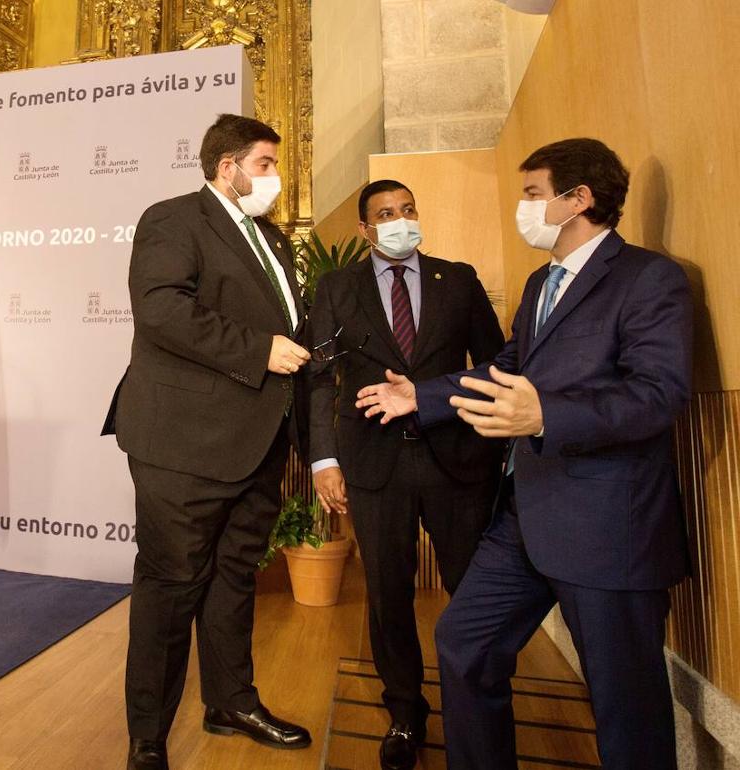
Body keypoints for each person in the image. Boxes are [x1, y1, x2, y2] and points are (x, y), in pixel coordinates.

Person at [355, 137, 691, 769]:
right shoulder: (543, 282)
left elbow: (658, 394)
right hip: (527, 516)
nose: (524, 206)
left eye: (534, 194)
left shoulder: (649, 278)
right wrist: (420, 396)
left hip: (607, 525)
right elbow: (507, 367)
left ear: (579, 199)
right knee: (463, 644)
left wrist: (547, 415)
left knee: (626, 704)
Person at [101, 113, 313, 770]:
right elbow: (162, 309)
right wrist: (260, 350)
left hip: (255, 444)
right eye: (267, 165)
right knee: (170, 590)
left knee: (233, 580)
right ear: (229, 166)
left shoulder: (271, 240)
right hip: (181, 445)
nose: (276, 178)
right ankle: (147, 740)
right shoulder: (172, 218)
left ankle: (231, 701)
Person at [308, 179, 505, 770]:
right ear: (365, 230)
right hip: (374, 464)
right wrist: (324, 459)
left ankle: (475, 706)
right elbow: (320, 378)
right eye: (387, 214)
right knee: (387, 592)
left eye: (409, 209)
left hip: (457, 460)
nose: (401, 221)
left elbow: (497, 363)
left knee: (471, 590)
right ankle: (405, 714)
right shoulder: (337, 287)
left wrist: (431, 397)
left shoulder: (459, 279)